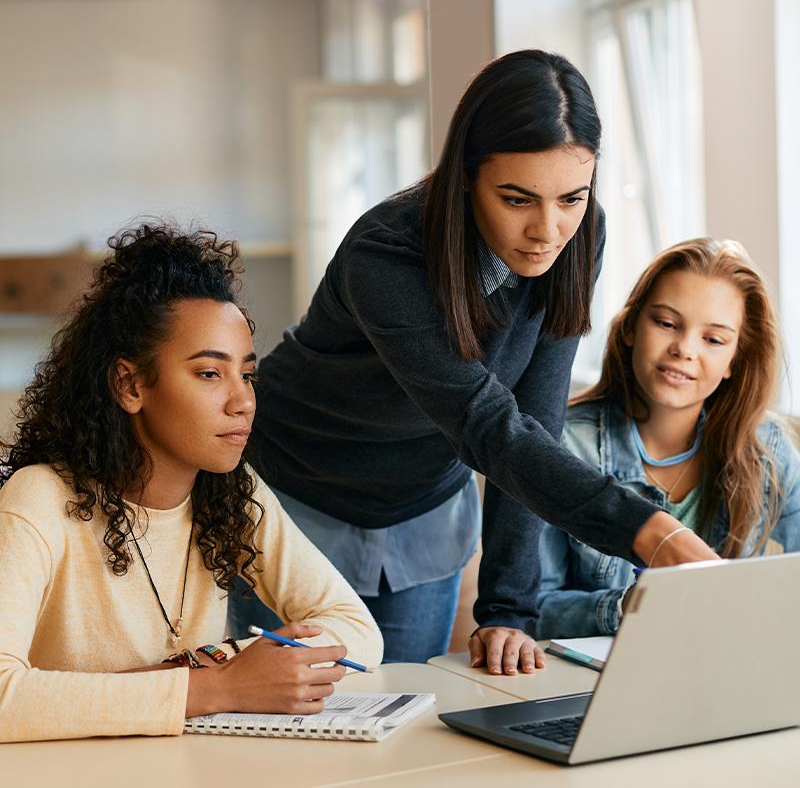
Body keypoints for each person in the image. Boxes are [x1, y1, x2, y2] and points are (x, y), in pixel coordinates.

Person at [230, 49, 718, 674]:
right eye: (517, 199)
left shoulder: (577, 234)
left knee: (398, 739)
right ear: (465, 176)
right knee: (286, 739)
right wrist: (653, 531)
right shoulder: (385, 254)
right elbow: (485, 423)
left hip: (424, 510)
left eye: (571, 197)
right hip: (296, 498)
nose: (548, 229)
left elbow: (532, 422)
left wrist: (508, 610)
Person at [0, 225, 382, 743]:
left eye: (247, 375)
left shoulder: (229, 491)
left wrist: (211, 663)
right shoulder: (37, 500)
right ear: (130, 385)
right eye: (209, 373)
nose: (242, 401)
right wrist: (215, 687)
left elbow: (357, 631)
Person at [532, 238, 800, 640]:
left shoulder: (770, 449)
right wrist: (630, 605)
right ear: (630, 329)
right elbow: (531, 612)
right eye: (666, 323)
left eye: (713, 339)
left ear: (734, 362)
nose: (683, 349)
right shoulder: (563, 443)